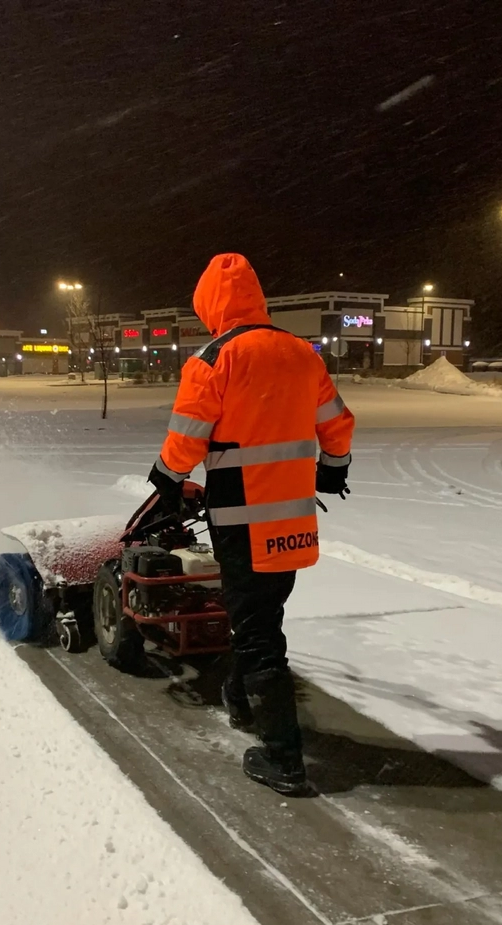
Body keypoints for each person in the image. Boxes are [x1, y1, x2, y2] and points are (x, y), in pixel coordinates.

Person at [147, 253, 355, 794]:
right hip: (292, 517)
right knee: (263, 612)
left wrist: (165, 479)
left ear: (211, 305)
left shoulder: (215, 359)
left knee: (257, 629)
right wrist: (332, 472)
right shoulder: (300, 354)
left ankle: (284, 759)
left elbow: (188, 436)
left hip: (240, 518)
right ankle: (241, 700)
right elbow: (336, 423)